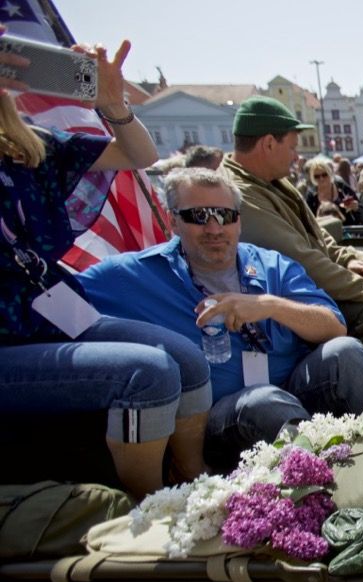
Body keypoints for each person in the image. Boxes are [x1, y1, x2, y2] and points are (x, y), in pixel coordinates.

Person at [0, 31, 208, 499]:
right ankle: (151, 508)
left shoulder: (25, 146)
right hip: (7, 334)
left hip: (45, 310)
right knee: (146, 372)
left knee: (188, 359)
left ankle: (195, 483)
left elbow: (141, 155)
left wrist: (112, 103)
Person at [78, 168, 363, 467]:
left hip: (292, 389)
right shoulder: (134, 276)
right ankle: (318, 489)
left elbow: (334, 327)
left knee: (346, 353)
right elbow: (54, 295)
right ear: (173, 221)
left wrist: (269, 306)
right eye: (198, 216)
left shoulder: (272, 265)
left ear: (238, 221)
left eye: (224, 215)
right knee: (265, 401)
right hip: (220, 422)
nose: (213, 228)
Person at [220, 96, 363, 363]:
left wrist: (348, 259)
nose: (297, 157)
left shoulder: (270, 181)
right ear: (269, 143)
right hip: (292, 296)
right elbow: (301, 259)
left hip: (311, 283)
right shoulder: (242, 194)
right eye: (292, 147)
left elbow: (317, 237)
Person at [303, 157, 363, 225]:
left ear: (330, 173)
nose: (321, 178)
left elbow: (361, 208)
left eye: (324, 175)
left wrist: (355, 207)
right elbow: (307, 217)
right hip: (321, 232)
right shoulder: (311, 194)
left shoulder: (341, 187)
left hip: (346, 229)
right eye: (317, 176)